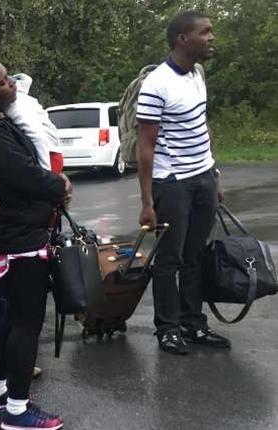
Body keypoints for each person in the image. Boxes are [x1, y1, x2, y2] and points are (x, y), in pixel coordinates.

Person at [0, 56, 70, 430]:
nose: (9, 84)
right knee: (27, 323)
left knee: (10, 320)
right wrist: (58, 185)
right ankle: (17, 410)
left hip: (10, 235)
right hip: (19, 238)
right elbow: (25, 175)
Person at [136, 10, 230, 355]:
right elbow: (146, 146)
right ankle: (168, 329)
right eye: (205, 32)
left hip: (202, 177)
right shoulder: (157, 84)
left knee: (195, 255)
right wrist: (147, 201)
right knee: (170, 258)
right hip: (172, 183)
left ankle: (193, 323)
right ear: (182, 39)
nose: (211, 37)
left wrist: (214, 174)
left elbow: (200, 128)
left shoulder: (197, 75)